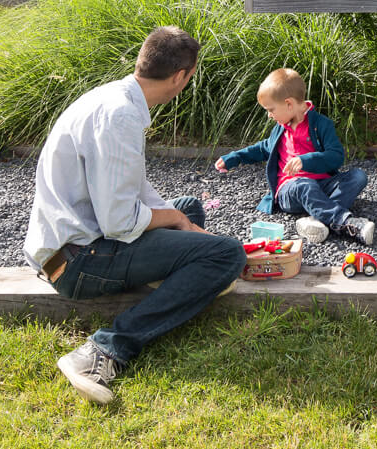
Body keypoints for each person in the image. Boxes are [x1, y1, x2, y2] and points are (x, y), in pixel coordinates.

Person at [24, 25, 246, 405]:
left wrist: (182, 218)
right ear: (180, 77)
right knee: (227, 254)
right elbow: (119, 221)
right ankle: (103, 351)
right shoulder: (120, 117)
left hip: (80, 244)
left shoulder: (116, 97)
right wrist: (177, 224)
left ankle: (176, 276)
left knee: (188, 205)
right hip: (79, 262)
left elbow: (135, 191)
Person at [215, 66, 377, 245]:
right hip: (290, 190)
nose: (269, 115)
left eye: (271, 109)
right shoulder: (280, 129)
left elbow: (336, 157)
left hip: (322, 185)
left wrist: (305, 160)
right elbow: (261, 149)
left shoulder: (322, 125)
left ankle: (317, 220)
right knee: (304, 185)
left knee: (358, 176)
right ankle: (346, 223)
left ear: (289, 103)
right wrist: (233, 158)